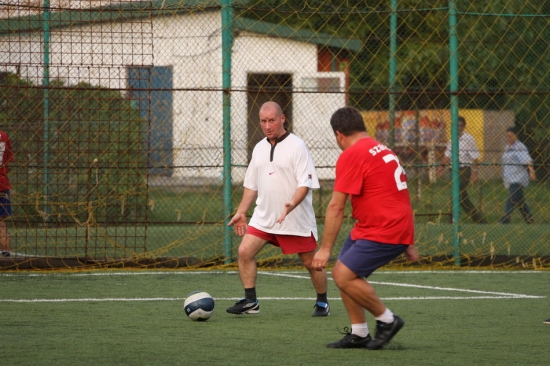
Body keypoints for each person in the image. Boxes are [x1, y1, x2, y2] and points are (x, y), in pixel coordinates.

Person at [313, 106, 418, 350]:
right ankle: (360, 333)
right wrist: (409, 240)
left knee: (342, 274)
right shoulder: (380, 147)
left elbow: (336, 207)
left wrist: (324, 249)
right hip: (377, 225)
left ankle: (387, 320)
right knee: (345, 270)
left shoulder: (352, 154)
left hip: (384, 227)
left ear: (339, 134)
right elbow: (399, 194)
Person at [226, 101, 330, 317]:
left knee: (311, 263)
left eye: (271, 120)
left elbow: (305, 183)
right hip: (264, 217)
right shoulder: (259, 148)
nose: (267, 125)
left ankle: (322, 303)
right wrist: (242, 211)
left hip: (294, 219)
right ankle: (250, 302)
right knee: (244, 251)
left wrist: (292, 203)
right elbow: (251, 184)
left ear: (282, 119)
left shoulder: (297, 146)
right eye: (263, 121)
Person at [438, 116, 486, 223]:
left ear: (464, 127)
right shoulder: (452, 139)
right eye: (456, 126)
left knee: (457, 193)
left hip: (464, 169)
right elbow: (447, 155)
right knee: (462, 198)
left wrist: (475, 173)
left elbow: (475, 158)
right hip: (453, 170)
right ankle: (478, 220)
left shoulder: (469, 139)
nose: (458, 128)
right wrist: (441, 167)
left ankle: (451, 221)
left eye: (460, 126)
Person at [498, 126, 536, 224]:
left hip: (518, 179)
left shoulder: (520, 147)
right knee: (520, 202)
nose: (509, 138)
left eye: (511, 136)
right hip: (510, 178)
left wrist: (531, 172)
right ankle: (530, 219)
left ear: (516, 136)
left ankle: (505, 219)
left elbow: (527, 160)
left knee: (511, 199)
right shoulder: (507, 148)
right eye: (507, 136)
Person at [0, 130, 14, 257]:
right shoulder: (4, 136)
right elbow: (9, 161)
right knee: (2, 224)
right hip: (2, 183)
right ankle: (6, 256)